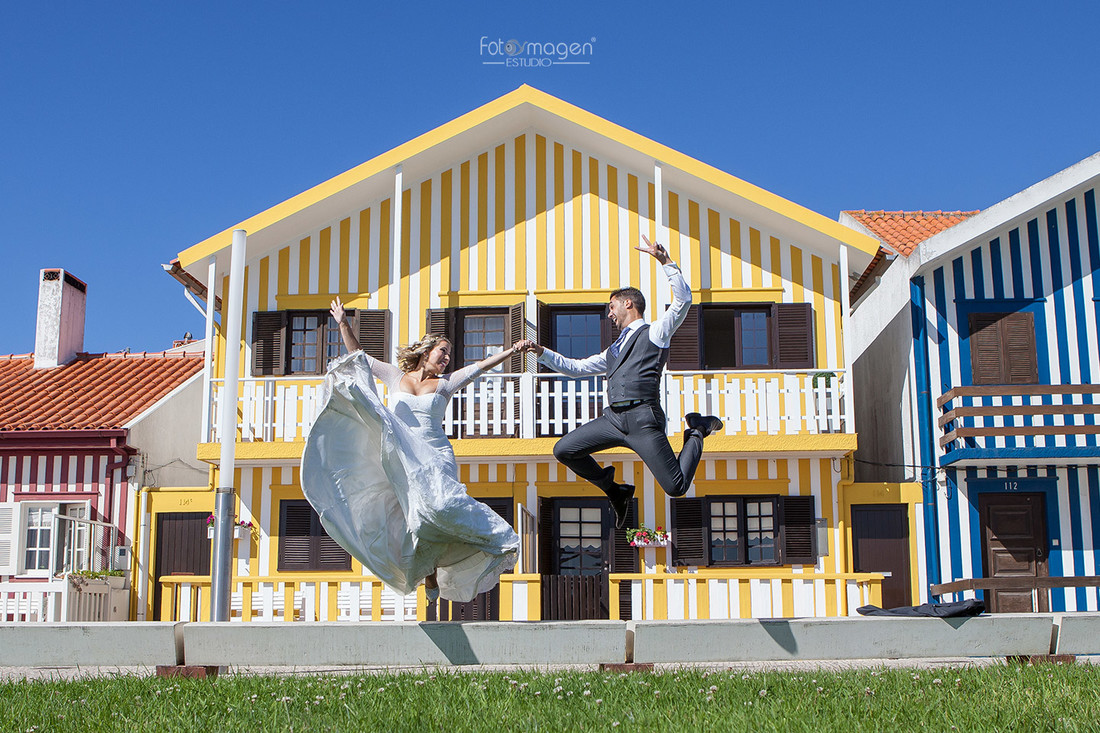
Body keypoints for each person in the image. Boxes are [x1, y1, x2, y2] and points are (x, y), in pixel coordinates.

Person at [300, 297, 519, 603]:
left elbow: (479, 368)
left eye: (448, 355)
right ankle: (428, 572)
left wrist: (512, 350)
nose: (446, 358)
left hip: (435, 454)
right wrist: (343, 323)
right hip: (403, 455)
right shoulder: (395, 376)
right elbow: (358, 356)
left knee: (441, 507)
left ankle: (489, 540)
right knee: (413, 516)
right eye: (442, 352)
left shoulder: (446, 383)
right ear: (426, 351)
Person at [516, 236, 723, 528]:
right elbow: (576, 368)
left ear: (629, 303)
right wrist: (542, 353)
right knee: (564, 449)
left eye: (612, 307)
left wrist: (665, 262)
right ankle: (615, 490)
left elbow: (683, 301)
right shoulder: (612, 350)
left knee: (676, 487)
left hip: (643, 420)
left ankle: (698, 430)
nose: (609, 313)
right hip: (613, 419)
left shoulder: (655, 333)